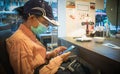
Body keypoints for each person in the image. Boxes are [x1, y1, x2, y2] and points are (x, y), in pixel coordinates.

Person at [6, 0, 71, 74]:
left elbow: (34, 59)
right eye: (45, 23)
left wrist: (51, 54)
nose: (46, 27)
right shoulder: (20, 41)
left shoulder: (30, 35)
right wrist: (59, 59)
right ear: (32, 18)